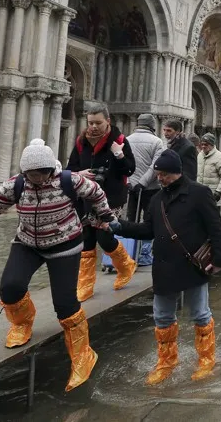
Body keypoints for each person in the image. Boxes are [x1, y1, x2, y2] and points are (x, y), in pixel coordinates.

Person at [0, 139, 114, 392]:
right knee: (10, 288)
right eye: (31, 174)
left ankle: (83, 355)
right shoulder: (16, 185)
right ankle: (21, 323)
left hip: (65, 244)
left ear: (51, 169)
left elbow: (96, 192)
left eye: (41, 174)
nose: (36, 179)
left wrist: (106, 216)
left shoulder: (69, 180)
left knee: (65, 305)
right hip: (28, 242)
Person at [109, 150, 221, 384]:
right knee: (162, 317)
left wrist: (219, 260)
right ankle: (166, 362)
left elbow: (216, 228)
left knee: (200, 314)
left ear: (176, 172)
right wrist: (118, 226)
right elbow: (148, 230)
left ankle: (206, 359)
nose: (159, 179)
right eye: (158, 174)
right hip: (164, 267)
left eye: (163, 174)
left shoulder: (199, 193)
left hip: (192, 264)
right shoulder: (156, 200)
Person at [67, 103, 137, 302]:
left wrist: (119, 154)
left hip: (111, 196)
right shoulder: (81, 142)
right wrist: (78, 173)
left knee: (105, 238)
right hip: (86, 196)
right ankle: (85, 284)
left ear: (108, 121)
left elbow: (129, 170)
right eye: (90, 123)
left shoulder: (120, 140)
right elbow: (70, 167)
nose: (93, 127)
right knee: (87, 239)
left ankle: (126, 266)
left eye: (98, 123)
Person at [127, 113, 165, 267]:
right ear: (152, 125)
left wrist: (131, 182)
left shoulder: (127, 140)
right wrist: (142, 183)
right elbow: (155, 167)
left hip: (131, 188)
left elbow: (124, 164)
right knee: (150, 221)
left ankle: (130, 253)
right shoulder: (157, 142)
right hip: (150, 189)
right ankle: (144, 254)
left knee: (131, 220)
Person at [196, 132, 221, 202]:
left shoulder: (220, 157)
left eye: (206, 144)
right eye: (202, 144)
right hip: (200, 194)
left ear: (212, 145)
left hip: (213, 195)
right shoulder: (200, 155)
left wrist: (219, 191)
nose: (203, 146)